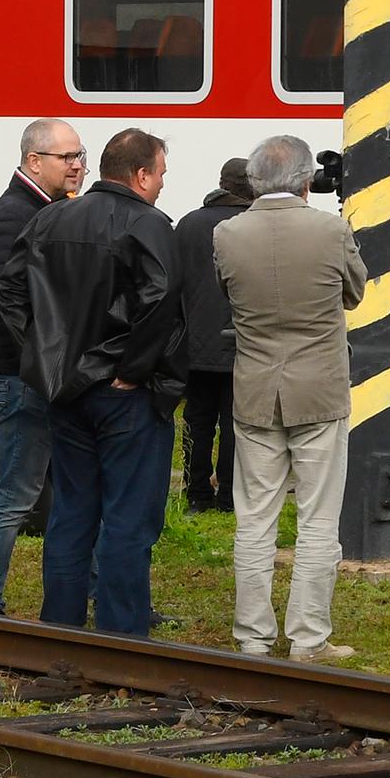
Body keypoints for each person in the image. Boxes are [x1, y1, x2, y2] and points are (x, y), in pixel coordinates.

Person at [0, 128, 183, 638]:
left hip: (66, 391)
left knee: (72, 511)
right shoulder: (149, 225)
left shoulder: (50, 218)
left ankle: (62, 627)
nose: (163, 183)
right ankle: (121, 635)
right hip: (125, 394)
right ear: (141, 175)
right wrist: (133, 370)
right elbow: (163, 303)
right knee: (128, 518)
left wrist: (44, 357)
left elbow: (9, 291)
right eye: (160, 174)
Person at [216, 134, 367, 663]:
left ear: (254, 180)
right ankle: (308, 638)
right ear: (307, 180)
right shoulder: (331, 230)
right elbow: (355, 292)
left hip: (255, 389)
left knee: (254, 519)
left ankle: (252, 637)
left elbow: (229, 294)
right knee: (318, 519)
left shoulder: (227, 233)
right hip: (319, 390)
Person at [0, 119, 87, 615]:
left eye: (80, 155)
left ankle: (85, 588)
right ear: (34, 161)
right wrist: (46, 362)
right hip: (20, 377)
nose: (77, 165)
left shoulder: (45, 207)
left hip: (37, 375)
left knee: (65, 491)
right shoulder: (16, 212)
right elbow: (1, 304)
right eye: (67, 157)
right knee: (15, 494)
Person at [173, 157, 254, 514]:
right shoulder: (253, 225)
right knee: (236, 423)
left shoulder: (189, 224)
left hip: (195, 343)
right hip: (242, 341)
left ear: (221, 184)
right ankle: (229, 496)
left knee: (197, 419)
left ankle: (196, 494)